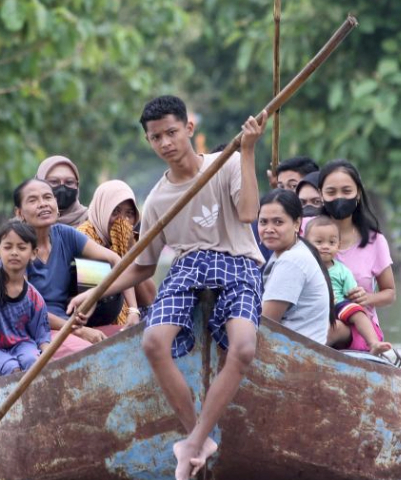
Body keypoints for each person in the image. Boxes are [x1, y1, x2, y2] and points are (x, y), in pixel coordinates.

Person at [67, 95, 267, 480]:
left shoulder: (222, 166)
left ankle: (192, 443)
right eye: (156, 138)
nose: (165, 144)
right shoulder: (158, 198)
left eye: (172, 133)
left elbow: (248, 214)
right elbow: (142, 266)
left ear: (189, 129)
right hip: (187, 269)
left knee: (242, 347)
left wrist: (248, 151)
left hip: (237, 263)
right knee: (153, 342)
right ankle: (198, 436)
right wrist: (96, 292)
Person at [13, 178, 131, 357]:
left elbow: (117, 261)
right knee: (91, 353)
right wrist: (77, 330)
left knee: (131, 339)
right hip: (36, 332)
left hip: (68, 326)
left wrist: (134, 310)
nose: (43, 204)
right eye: (33, 200)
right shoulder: (15, 250)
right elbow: (27, 312)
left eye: (47, 197)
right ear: (20, 213)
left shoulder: (65, 234)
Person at [319, 159, 396, 352]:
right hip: (314, 319)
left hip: (360, 328)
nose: (339, 198)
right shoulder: (305, 233)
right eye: (331, 192)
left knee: (327, 331)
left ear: (358, 194)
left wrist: (366, 299)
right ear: (320, 195)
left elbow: (390, 293)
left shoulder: (375, 241)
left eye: (346, 191)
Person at [0, 221, 51, 378]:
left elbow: (42, 335)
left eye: (21, 248)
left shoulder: (35, 297)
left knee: (32, 362)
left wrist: (48, 359)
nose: (14, 252)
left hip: (23, 344)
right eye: (8, 247)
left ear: (33, 253)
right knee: (12, 369)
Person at [304, 216, 392, 354]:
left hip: (338, 305)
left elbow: (352, 292)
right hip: (312, 307)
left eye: (331, 242)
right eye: (319, 242)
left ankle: (374, 342)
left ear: (338, 246)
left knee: (356, 311)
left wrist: (360, 297)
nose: (325, 246)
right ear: (306, 244)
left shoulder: (342, 270)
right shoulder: (304, 267)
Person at [77, 180, 157, 332]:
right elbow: (100, 305)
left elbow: (150, 299)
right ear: (102, 210)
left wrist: (130, 251)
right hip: (93, 321)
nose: (122, 221)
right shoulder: (85, 238)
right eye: (115, 212)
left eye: (129, 214)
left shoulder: (129, 241)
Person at [258, 189, 334, 344]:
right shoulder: (289, 253)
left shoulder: (292, 260)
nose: (269, 229)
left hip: (294, 355)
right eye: (263, 222)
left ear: (296, 223)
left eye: (278, 222)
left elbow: (264, 324)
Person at [36, 155, 88, 227]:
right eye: (54, 181)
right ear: (38, 183)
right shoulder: (25, 224)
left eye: (69, 182)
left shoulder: (91, 222)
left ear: (77, 185)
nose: (62, 189)